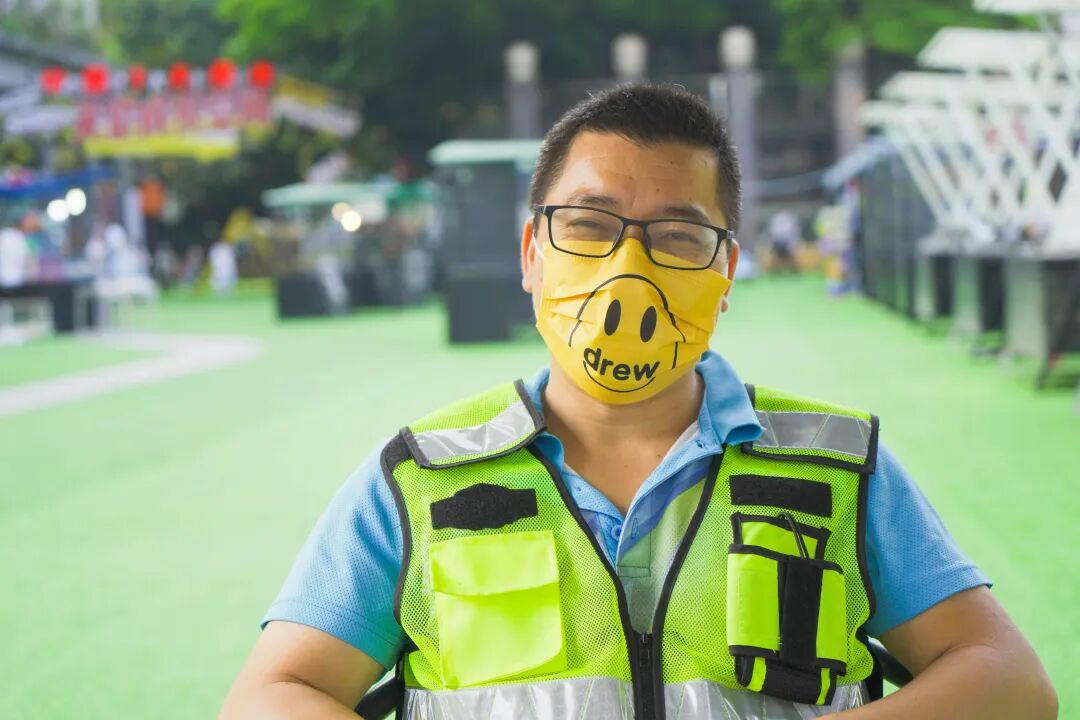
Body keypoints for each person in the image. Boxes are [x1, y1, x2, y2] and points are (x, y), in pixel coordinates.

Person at [220, 85, 1057, 720]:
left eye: (680, 236)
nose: (630, 270)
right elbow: (271, 695)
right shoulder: (423, 478)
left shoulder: (835, 469)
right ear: (532, 252)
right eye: (589, 224)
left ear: (726, 273)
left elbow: (1010, 680)